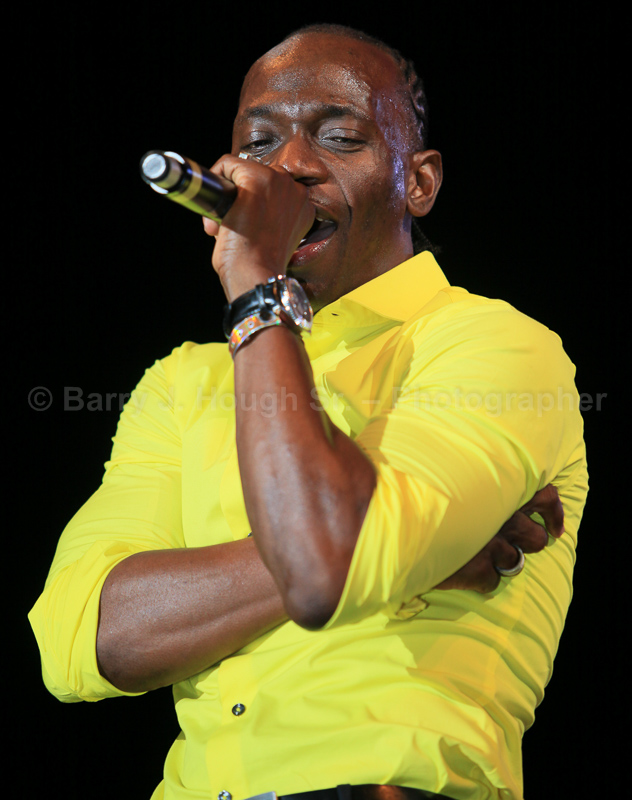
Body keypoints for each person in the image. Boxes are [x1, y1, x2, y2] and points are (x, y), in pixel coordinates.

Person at [29, 23, 587, 800]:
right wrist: (386, 556)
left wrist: (257, 287)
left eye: (339, 137)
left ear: (419, 183)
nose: (288, 163)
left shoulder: (494, 344)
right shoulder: (184, 382)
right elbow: (84, 638)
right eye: (258, 142)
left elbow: (324, 572)